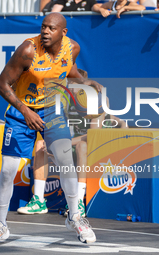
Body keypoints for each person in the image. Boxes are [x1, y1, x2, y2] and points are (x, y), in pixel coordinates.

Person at [0, 13, 103, 245]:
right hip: (21, 110)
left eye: (51, 28)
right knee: (7, 170)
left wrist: (85, 82)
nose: (45, 32)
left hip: (52, 109)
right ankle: (0, 225)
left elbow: (69, 70)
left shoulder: (73, 48)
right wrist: (26, 111)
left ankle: (75, 217)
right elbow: (1, 83)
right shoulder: (28, 50)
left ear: (63, 33)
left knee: (66, 161)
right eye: (43, 27)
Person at [17, 69, 128, 217]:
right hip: (69, 147)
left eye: (75, 85)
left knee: (82, 146)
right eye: (68, 84)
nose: (71, 88)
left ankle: (78, 202)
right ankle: (38, 201)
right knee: (40, 145)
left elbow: (92, 137)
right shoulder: (61, 100)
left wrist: (66, 144)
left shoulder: (97, 101)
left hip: (90, 149)